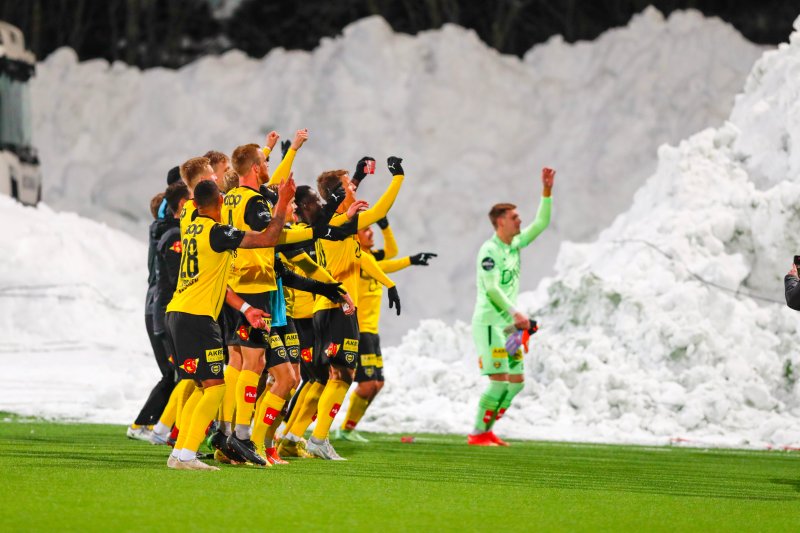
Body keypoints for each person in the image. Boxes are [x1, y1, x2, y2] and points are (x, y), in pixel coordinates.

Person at [165, 175, 294, 470]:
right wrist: (283, 202)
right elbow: (267, 238)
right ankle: (184, 456)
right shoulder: (218, 232)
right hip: (197, 319)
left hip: (177, 314)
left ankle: (180, 453)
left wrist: (246, 308)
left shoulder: (189, 225)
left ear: (194, 204)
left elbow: (219, 285)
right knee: (215, 388)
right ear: (221, 202)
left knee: (203, 387)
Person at [285, 157, 405, 460]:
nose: (353, 187)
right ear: (339, 193)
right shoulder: (338, 223)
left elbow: (360, 258)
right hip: (338, 308)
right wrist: (398, 178)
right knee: (343, 376)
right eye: (348, 185)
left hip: (327, 307)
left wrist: (388, 283)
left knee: (327, 377)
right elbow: (380, 211)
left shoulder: (338, 225)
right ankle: (318, 438)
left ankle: (294, 435)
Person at [468, 167, 555, 447]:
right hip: (491, 324)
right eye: (515, 217)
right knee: (499, 382)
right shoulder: (489, 251)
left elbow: (541, 223)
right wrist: (516, 313)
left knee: (516, 382)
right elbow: (492, 289)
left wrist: (546, 191)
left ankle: (488, 427)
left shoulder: (514, 245)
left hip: (509, 327)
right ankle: (477, 433)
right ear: (500, 222)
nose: (520, 221)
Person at [336, 221, 436, 442]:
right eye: (366, 230)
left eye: (373, 229)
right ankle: (334, 428)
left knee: (377, 384)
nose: (371, 233)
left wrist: (386, 226)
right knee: (365, 384)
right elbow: (386, 266)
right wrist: (410, 261)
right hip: (358, 330)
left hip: (372, 331)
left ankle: (347, 429)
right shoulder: (356, 258)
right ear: (355, 236)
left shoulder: (372, 257)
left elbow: (391, 253)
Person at [127, 191, 169, 441]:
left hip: (154, 306)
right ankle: (142, 424)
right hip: (158, 307)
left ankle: (159, 425)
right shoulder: (165, 234)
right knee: (173, 372)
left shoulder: (158, 232)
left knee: (174, 372)